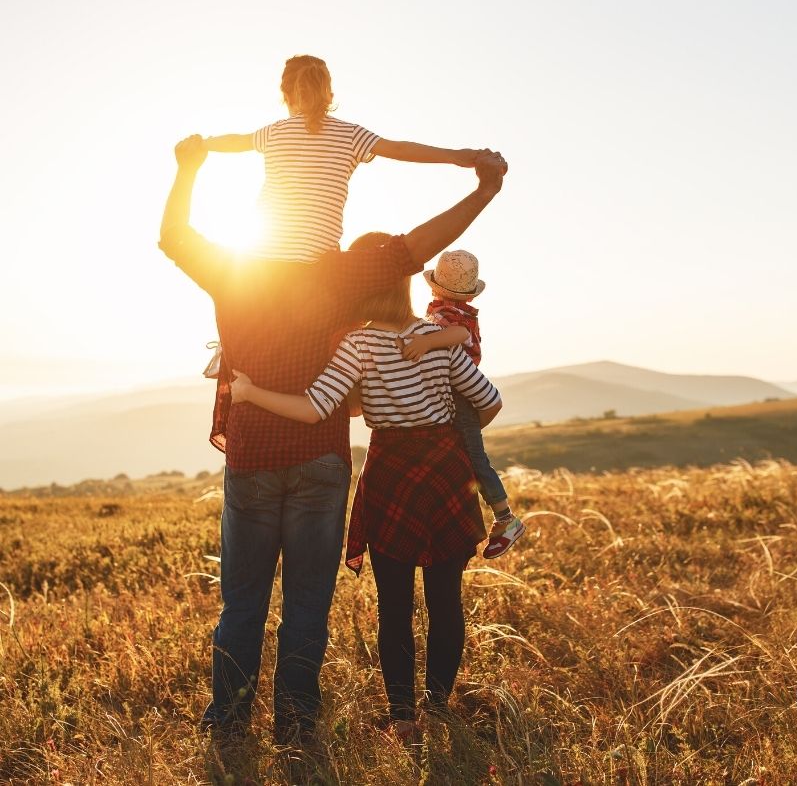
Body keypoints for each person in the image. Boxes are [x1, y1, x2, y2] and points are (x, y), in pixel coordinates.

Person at [158, 133, 507, 744]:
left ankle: (230, 719)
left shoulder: (233, 268)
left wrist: (188, 169)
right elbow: (420, 246)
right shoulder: (345, 273)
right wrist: (483, 188)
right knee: (307, 603)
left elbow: (174, 237)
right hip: (321, 460)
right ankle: (297, 722)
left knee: (242, 601)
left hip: (253, 458)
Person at [228, 261, 503, 739]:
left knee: (394, 605)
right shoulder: (440, 334)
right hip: (445, 471)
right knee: (446, 601)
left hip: (391, 472)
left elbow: (314, 409)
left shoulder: (358, 343)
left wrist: (251, 392)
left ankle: (403, 719)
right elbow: (491, 400)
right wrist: (448, 436)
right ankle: (437, 709)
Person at [204, 54, 481, 262]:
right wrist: (455, 156)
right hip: (318, 262)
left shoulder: (274, 132)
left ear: (286, 95)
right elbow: (399, 149)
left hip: (263, 258)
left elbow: (235, 141)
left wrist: (202, 144)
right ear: (329, 94)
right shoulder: (350, 134)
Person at [397, 249, 526, 558]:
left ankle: (506, 518)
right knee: (462, 455)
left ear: (434, 286)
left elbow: (457, 335)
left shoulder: (451, 317)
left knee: (474, 457)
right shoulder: (449, 310)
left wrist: (426, 342)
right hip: (454, 393)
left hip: (459, 394)